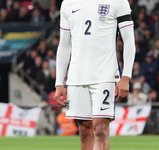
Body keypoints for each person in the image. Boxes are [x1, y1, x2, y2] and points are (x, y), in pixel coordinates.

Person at [54, 0, 135, 150]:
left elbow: (129, 39)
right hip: (76, 78)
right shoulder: (68, 3)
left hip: (105, 75)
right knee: (85, 131)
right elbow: (64, 44)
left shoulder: (118, 2)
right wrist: (59, 83)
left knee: (100, 130)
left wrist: (126, 77)